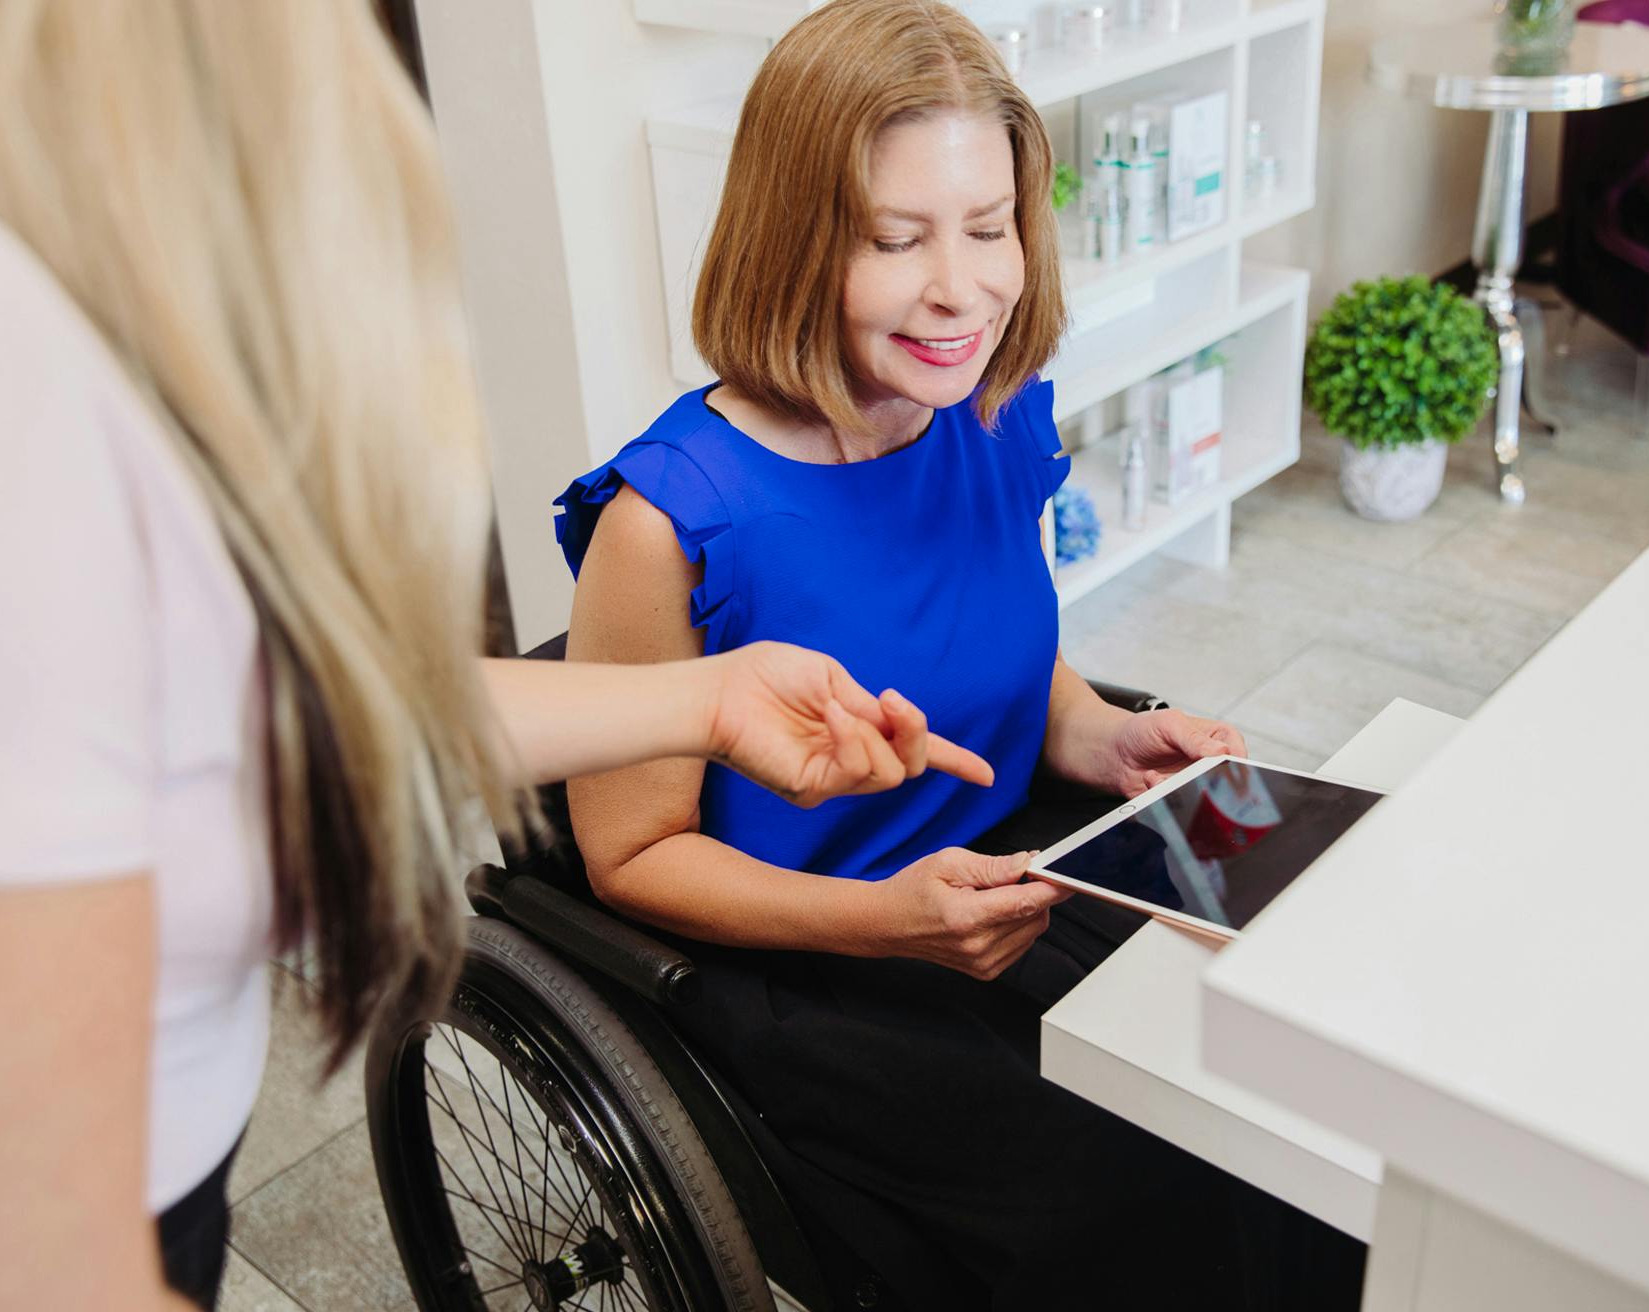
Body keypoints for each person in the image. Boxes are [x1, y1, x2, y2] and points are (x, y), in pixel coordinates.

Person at [0, 4, 988, 1309]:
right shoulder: (2, 370)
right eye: (902, 236)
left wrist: (712, 694)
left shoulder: (97, 318)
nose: (957, 280)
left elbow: (255, 702)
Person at [555, 0, 1367, 1306]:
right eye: (896, 239)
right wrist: (879, 924)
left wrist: (1102, 731)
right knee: (1137, 1180)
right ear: (793, 239)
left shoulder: (985, 404)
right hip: (809, 957)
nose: (964, 287)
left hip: (1003, 866)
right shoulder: (671, 524)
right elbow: (630, 856)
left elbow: (1006, 652)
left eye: (989, 229)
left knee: (1285, 1088)